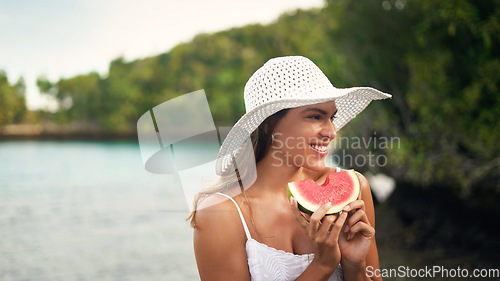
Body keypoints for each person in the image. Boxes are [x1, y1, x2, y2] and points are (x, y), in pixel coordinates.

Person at [188, 56, 391, 281]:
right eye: (315, 116)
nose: (331, 132)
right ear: (269, 123)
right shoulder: (221, 214)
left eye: (331, 117)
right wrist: (322, 266)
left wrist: (355, 265)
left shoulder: (356, 189)